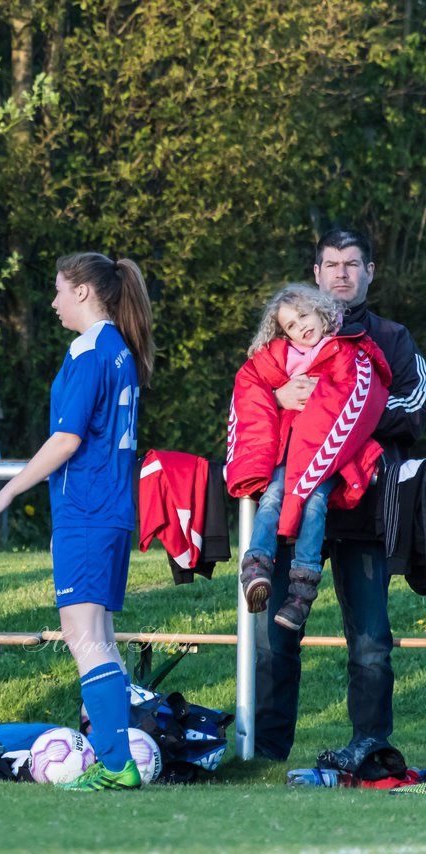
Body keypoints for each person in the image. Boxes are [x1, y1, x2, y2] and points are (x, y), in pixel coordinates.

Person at [0, 252, 155, 791]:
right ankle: (115, 759)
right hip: (110, 513)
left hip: (87, 514)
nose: (51, 303)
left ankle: (116, 764)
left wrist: (5, 493)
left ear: (83, 293)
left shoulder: (91, 350)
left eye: (57, 291)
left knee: (85, 639)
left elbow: (67, 439)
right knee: (99, 638)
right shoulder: (120, 350)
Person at [254, 228, 425, 767]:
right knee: (275, 637)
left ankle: (369, 746)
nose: (342, 273)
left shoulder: (394, 339)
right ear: (317, 273)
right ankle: (264, 750)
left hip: (365, 507)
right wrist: (281, 398)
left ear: (370, 272)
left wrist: (345, 413)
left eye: (352, 264)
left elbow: (416, 408)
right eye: (332, 264)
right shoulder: (284, 343)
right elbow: (251, 400)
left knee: (372, 640)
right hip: (295, 506)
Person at [229, 284, 390, 631]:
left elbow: (358, 392)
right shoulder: (279, 358)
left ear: (321, 311)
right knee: (273, 494)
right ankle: (257, 567)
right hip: (289, 447)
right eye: (289, 325)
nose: (300, 327)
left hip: (329, 452)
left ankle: (302, 591)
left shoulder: (347, 348)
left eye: (303, 315)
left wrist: (322, 394)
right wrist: (277, 396)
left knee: (314, 499)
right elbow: (249, 386)